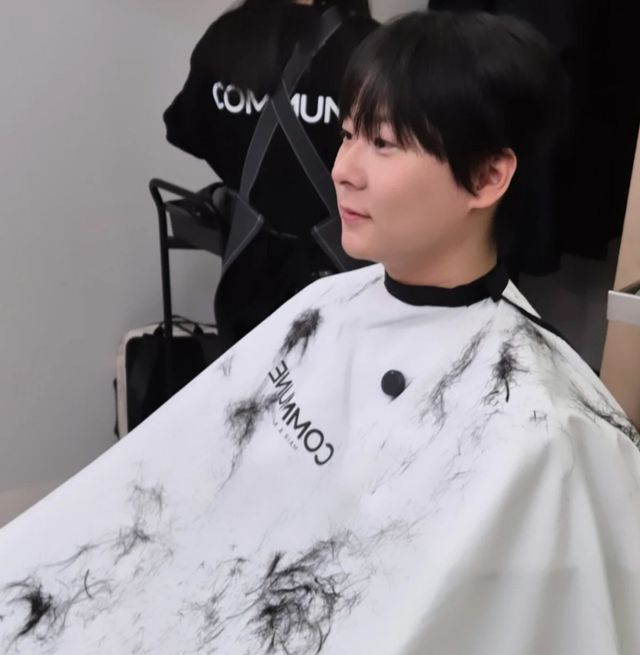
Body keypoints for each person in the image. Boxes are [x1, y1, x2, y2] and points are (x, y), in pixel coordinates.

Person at [2, 11, 640, 654]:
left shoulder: (545, 427)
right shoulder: (328, 303)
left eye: (383, 143)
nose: (343, 170)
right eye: (348, 134)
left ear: (486, 176)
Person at [164, 0, 378, 345]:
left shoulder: (226, 36)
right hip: (345, 279)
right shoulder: (372, 47)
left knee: (251, 377)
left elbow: (185, 130)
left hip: (246, 279)